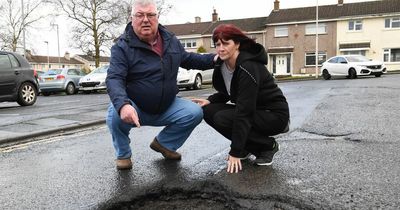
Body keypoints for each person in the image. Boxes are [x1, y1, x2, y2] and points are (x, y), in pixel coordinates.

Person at [106, 0, 215, 170]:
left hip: (167, 105)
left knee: (195, 112)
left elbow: (188, 59)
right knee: (115, 113)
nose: (145, 19)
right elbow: (114, 78)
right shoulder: (122, 46)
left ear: (157, 17)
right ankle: (123, 154)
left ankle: (164, 144)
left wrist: (215, 59)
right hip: (137, 108)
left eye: (150, 15)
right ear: (132, 18)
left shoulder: (170, 40)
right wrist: (123, 105)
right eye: (140, 15)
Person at [192, 24, 290, 173]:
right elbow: (229, 91)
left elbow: (244, 112)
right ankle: (248, 146)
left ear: (237, 44)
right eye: (217, 44)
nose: (221, 48)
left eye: (226, 43)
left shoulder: (248, 67)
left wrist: (235, 151)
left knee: (224, 118)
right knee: (208, 111)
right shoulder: (223, 65)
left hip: (273, 114)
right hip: (254, 110)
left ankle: (267, 146)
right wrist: (210, 100)